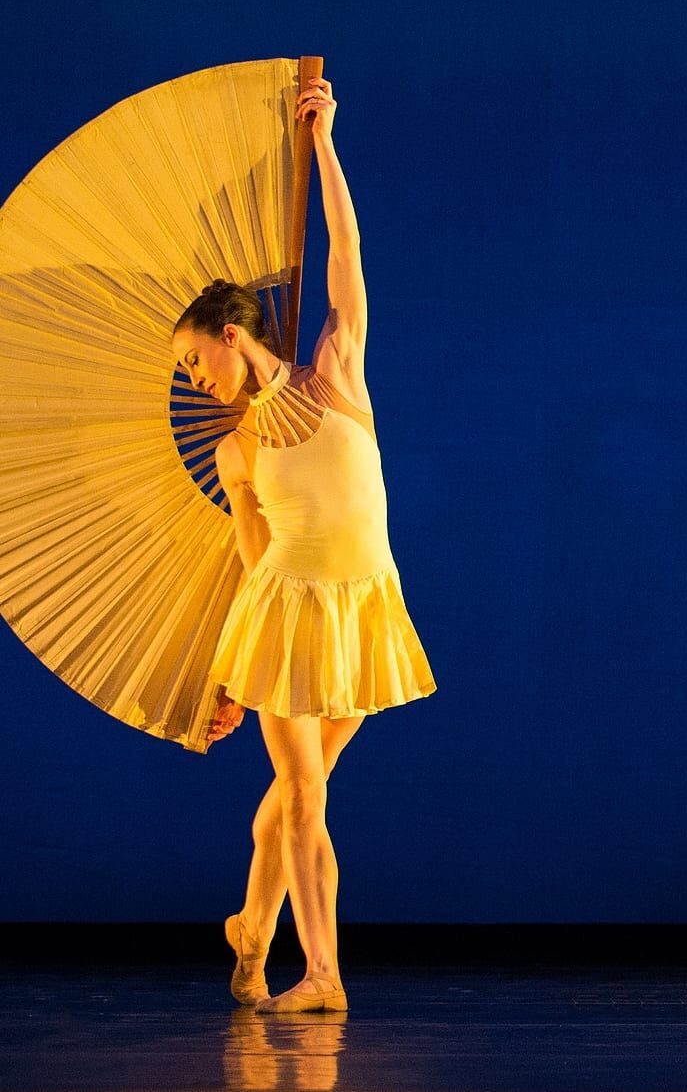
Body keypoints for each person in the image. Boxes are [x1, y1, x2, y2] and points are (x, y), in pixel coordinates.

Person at [178, 75, 435, 1012]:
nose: (195, 375)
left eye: (195, 356)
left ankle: (251, 934)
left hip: (364, 603)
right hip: (285, 615)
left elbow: (347, 253)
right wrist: (235, 679)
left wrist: (324, 143)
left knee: (301, 792)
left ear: (235, 334)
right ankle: (322, 973)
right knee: (306, 794)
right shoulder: (234, 445)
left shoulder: (335, 370)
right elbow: (253, 561)